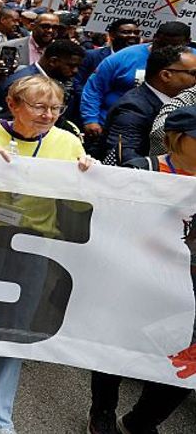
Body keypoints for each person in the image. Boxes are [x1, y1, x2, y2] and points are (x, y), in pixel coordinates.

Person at [0, 76, 99, 434]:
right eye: (39, 107)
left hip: (35, 243)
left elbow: (76, 201)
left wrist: (89, 177)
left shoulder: (69, 142)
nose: (48, 115)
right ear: (13, 104)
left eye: (55, 108)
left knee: (16, 325)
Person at [87, 106, 196, 434]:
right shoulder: (142, 170)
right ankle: (102, 411)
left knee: (184, 368)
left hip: (188, 291)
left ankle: (139, 422)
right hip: (134, 281)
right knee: (116, 349)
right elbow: (106, 220)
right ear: (176, 139)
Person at [82, 22, 193, 144]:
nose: (168, 50)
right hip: (120, 124)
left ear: (188, 42)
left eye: (176, 46)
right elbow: (94, 88)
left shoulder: (193, 60)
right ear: (155, 38)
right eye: (162, 44)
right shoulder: (123, 57)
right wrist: (91, 119)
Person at [102, 45, 196, 165]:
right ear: (165, 75)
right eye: (193, 73)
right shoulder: (133, 108)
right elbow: (124, 154)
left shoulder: (186, 101)